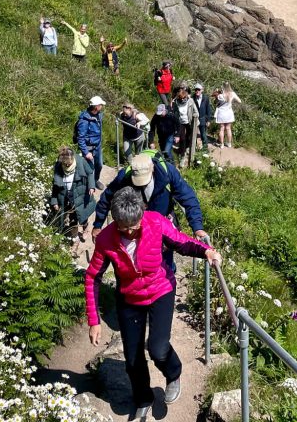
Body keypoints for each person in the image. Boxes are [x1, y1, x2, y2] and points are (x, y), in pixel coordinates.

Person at [86, 188, 221, 419]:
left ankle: (173, 373)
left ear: (142, 215)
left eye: (134, 225)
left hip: (161, 289)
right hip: (130, 297)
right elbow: (93, 277)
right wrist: (94, 320)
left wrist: (206, 251)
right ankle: (143, 398)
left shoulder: (155, 222)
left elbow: (182, 243)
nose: (130, 231)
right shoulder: (107, 239)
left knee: (158, 349)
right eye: (124, 227)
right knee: (132, 358)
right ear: (115, 221)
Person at [92, 151, 209, 241]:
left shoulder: (168, 173)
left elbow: (188, 198)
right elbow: (107, 198)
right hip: (136, 227)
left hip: (164, 223)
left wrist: (197, 227)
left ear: (152, 168)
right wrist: (98, 224)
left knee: (165, 264)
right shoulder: (124, 177)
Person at [50, 145, 97, 243]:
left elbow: (90, 173)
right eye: (65, 164)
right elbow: (55, 185)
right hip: (66, 197)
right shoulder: (59, 166)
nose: (67, 166)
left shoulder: (80, 161)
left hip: (80, 194)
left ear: (72, 158)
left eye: (68, 164)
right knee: (73, 218)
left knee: (82, 215)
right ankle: (74, 237)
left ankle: (85, 228)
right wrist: (54, 201)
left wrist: (91, 186)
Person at [75, 96, 106, 185]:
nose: (102, 107)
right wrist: (86, 152)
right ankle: (89, 186)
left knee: (99, 165)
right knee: (90, 169)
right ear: (96, 107)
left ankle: (96, 180)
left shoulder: (99, 115)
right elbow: (80, 138)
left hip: (98, 146)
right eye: (101, 105)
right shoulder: (84, 121)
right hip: (88, 149)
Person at [171, 84, 197, 165]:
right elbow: (174, 111)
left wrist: (195, 116)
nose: (182, 100)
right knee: (182, 139)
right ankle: (183, 156)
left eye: (184, 98)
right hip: (180, 122)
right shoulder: (176, 102)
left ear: (186, 96)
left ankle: (188, 148)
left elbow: (196, 111)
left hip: (189, 121)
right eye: (181, 98)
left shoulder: (190, 101)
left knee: (190, 136)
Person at [215, 83, 241, 149]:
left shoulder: (220, 95)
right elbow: (239, 101)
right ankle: (229, 144)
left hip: (221, 113)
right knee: (228, 128)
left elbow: (216, 101)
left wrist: (217, 91)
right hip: (229, 113)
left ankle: (222, 144)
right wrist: (232, 102)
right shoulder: (232, 93)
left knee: (222, 128)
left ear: (223, 87)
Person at [192, 83, 212, 149]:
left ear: (202, 90)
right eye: (196, 89)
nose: (197, 91)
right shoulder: (192, 98)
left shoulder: (205, 98)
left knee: (203, 134)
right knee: (193, 134)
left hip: (203, 119)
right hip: (194, 119)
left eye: (198, 89)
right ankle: (193, 148)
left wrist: (208, 120)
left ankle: (205, 148)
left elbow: (208, 109)